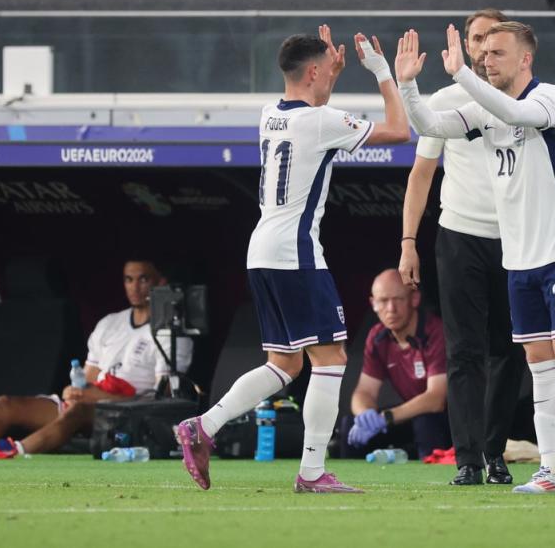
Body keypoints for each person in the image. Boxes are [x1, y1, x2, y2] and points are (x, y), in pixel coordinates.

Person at [175, 25, 410, 493]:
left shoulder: (271, 115)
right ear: (315, 71)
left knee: (286, 364)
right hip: (295, 253)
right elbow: (401, 131)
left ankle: (204, 426)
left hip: (262, 249)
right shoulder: (321, 121)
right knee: (330, 359)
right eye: (326, 69)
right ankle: (312, 472)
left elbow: (315, 117)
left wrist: (329, 79)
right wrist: (383, 71)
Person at [395, 21, 555, 494]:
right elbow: (431, 126)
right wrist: (407, 85)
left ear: (526, 59)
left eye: (498, 53)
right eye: (484, 55)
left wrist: (462, 75)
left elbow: (515, 114)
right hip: (519, 257)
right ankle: (551, 471)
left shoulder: (550, 99)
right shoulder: (483, 109)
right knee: (539, 362)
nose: (487, 60)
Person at [399, 8, 523, 486]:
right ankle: (468, 459)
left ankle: (496, 454)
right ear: (468, 46)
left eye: (494, 39)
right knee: (464, 352)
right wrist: (408, 242)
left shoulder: (528, 99)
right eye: (477, 38)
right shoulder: (449, 97)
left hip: (517, 240)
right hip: (460, 238)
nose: (484, 47)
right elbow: (421, 175)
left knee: (510, 352)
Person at [0, 259, 192, 458]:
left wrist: (98, 398)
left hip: (129, 415)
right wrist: (77, 391)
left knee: (80, 410)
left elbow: (161, 402)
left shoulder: (170, 332)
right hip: (91, 406)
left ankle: (13, 451)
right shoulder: (109, 323)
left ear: (160, 282)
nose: (135, 287)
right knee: (5, 404)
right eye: (129, 279)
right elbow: (87, 378)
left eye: (143, 279)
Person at [341, 269, 449, 458]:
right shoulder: (377, 336)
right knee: (351, 423)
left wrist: (386, 418)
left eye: (398, 299)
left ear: (414, 299)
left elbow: (436, 399)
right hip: (407, 416)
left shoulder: (436, 331)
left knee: (425, 421)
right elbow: (364, 392)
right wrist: (365, 415)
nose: (391, 309)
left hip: (447, 420)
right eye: (383, 301)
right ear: (373, 304)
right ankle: (348, 482)